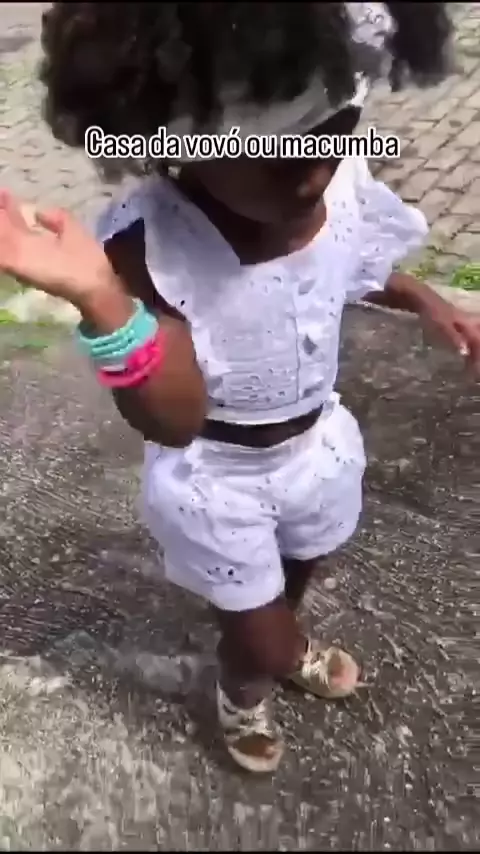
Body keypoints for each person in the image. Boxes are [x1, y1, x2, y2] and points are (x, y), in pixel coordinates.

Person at [1, 2, 478, 774]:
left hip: (317, 447)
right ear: (178, 144)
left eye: (333, 133)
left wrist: (427, 299)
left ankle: (276, 638)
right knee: (259, 640)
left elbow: (353, 259)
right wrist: (105, 303)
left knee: (299, 570)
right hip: (218, 481)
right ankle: (245, 687)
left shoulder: (338, 186)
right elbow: (176, 418)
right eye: (272, 153)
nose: (313, 168)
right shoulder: (149, 246)